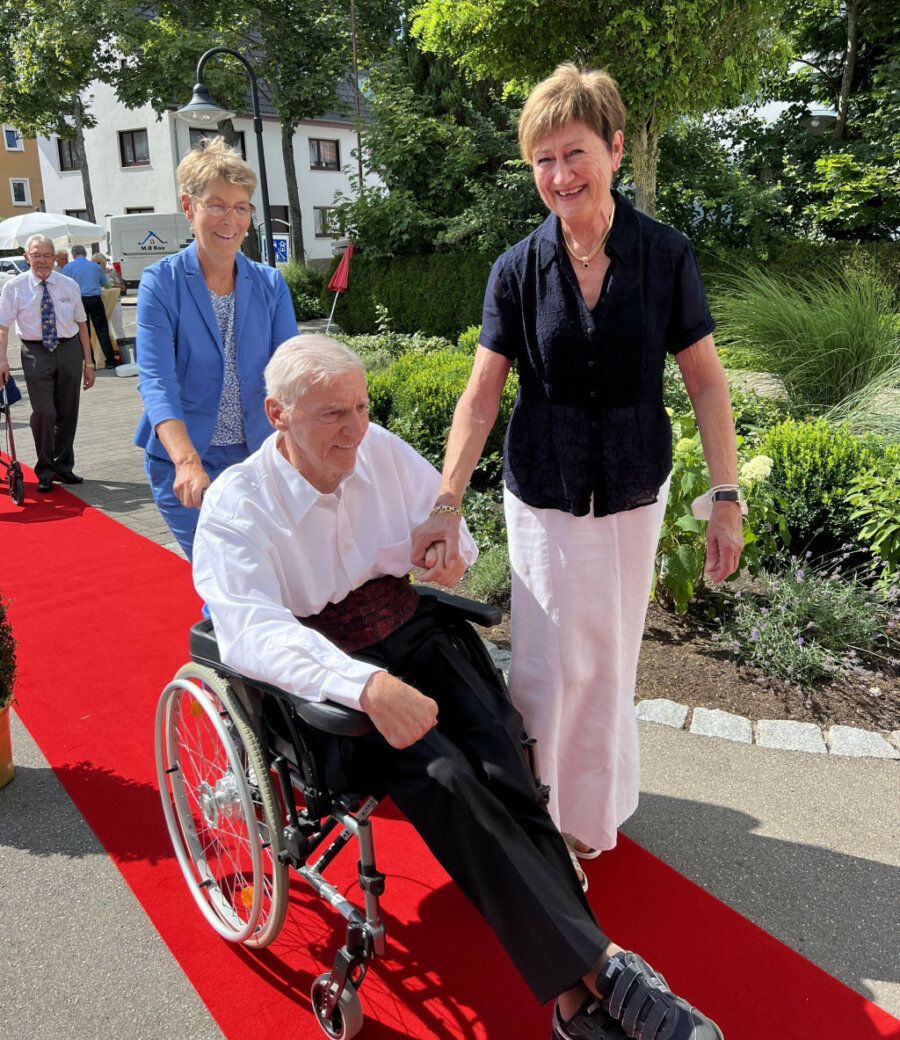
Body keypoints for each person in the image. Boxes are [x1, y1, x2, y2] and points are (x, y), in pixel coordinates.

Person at [193, 334, 723, 1040]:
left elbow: (447, 526)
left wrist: (449, 551)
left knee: (507, 760)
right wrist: (366, 686)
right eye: (332, 415)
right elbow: (252, 632)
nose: (356, 429)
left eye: (361, 406)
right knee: (446, 775)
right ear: (276, 414)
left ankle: (576, 999)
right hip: (332, 672)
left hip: (414, 628)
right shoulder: (239, 504)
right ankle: (606, 972)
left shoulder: (380, 450)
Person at [410, 64, 744, 884]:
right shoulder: (517, 269)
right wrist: (445, 502)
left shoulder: (665, 255)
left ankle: (590, 815)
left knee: (606, 655)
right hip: (543, 492)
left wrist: (725, 497)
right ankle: (536, 810)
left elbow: (705, 380)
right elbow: (480, 396)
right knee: (545, 659)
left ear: (616, 148)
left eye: (574, 152)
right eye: (543, 160)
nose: (560, 175)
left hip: (632, 490)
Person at [134, 136, 297, 560]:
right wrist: (186, 461)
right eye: (217, 205)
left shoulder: (270, 284)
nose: (231, 219)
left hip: (257, 461)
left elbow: (290, 373)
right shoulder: (161, 283)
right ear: (190, 208)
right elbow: (156, 381)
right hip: (188, 464)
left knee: (272, 576)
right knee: (222, 581)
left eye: (241, 207)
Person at [0, 234, 95, 492]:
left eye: (46, 255)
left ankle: (63, 466)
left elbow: (82, 325)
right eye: (36, 254)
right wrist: (2, 361)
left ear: (55, 257)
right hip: (34, 352)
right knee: (44, 412)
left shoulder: (69, 285)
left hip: (68, 349)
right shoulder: (14, 287)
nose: (41, 260)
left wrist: (89, 362)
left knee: (67, 410)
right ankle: (44, 469)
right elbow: (2, 328)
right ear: (26, 257)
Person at [62, 243, 116, 370]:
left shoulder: (68, 268)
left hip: (79, 301)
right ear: (85, 254)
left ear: (73, 255)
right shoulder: (95, 266)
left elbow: (64, 287)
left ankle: (90, 363)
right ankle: (110, 361)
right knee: (102, 330)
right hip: (95, 300)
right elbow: (106, 284)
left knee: (83, 332)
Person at [92, 253, 126, 342]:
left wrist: (110, 285)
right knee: (105, 329)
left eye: (98, 263)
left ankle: (124, 347)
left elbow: (122, 287)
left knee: (117, 327)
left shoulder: (111, 272)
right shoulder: (92, 274)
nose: (96, 265)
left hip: (115, 303)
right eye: (93, 263)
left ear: (104, 262)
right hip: (101, 305)